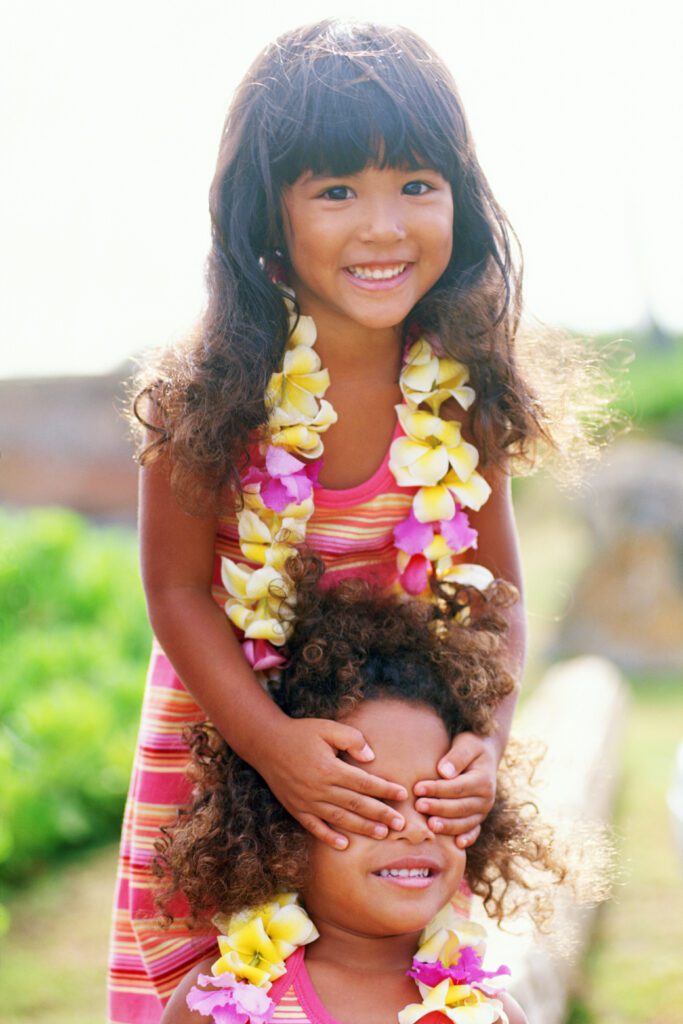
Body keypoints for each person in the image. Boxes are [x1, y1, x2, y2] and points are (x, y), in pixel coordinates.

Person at [108, 17, 587, 1022]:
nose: (382, 226)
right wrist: (272, 745)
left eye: (416, 183)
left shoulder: (463, 392)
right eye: (336, 190)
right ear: (265, 215)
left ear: (461, 194)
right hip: (226, 737)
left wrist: (484, 750)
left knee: (394, 983)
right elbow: (176, 588)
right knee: (209, 988)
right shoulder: (208, 396)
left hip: (393, 771)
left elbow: (495, 600)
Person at [154, 576, 564, 1024]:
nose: (415, 827)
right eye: (371, 800)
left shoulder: (489, 1015)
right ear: (283, 821)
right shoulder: (216, 1002)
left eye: (437, 799)